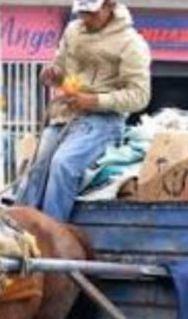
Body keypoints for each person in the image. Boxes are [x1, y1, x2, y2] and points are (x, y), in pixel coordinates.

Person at [15, 0, 151, 221]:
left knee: (63, 165)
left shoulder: (131, 44)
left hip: (104, 121)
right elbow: (62, 70)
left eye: (92, 13)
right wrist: (52, 74)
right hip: (67, 115)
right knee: (37, 167)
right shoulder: (72, 31)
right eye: (82, 13)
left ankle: (51, 230)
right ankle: (19, 226)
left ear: (109, 6)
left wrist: (96, 101)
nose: (86, 18)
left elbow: (139, 96)